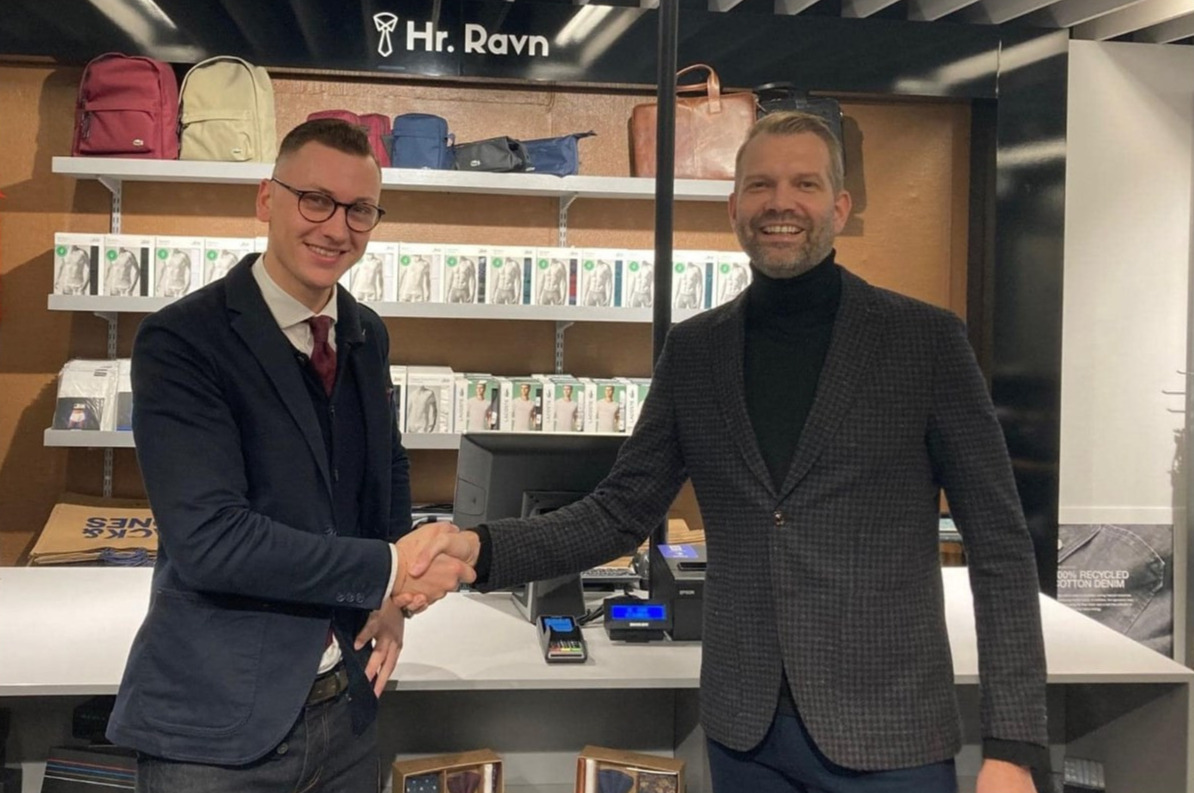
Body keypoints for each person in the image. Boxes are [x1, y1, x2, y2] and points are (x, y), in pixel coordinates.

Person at [410, 112, 1047, 793]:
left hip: (889, 734)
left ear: (839, 207)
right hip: (748, 735)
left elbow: (1000, 544)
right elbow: (619, 512)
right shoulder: (696, 350)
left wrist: (1014, 746)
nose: (781, 202)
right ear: (734, 206)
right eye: (760, 184)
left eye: (805, 183)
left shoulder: (925, 341)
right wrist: (479, 548)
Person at [106, 119, 475, 793]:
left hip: (345, 715)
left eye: (359, 210)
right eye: (315, 200)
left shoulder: (363, 332)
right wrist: (389, 569)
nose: (336, 228)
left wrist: (394, 599)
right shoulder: (183, 341)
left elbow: (387, 467)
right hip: (216, 733)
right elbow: (211, 541)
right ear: (266, 200)